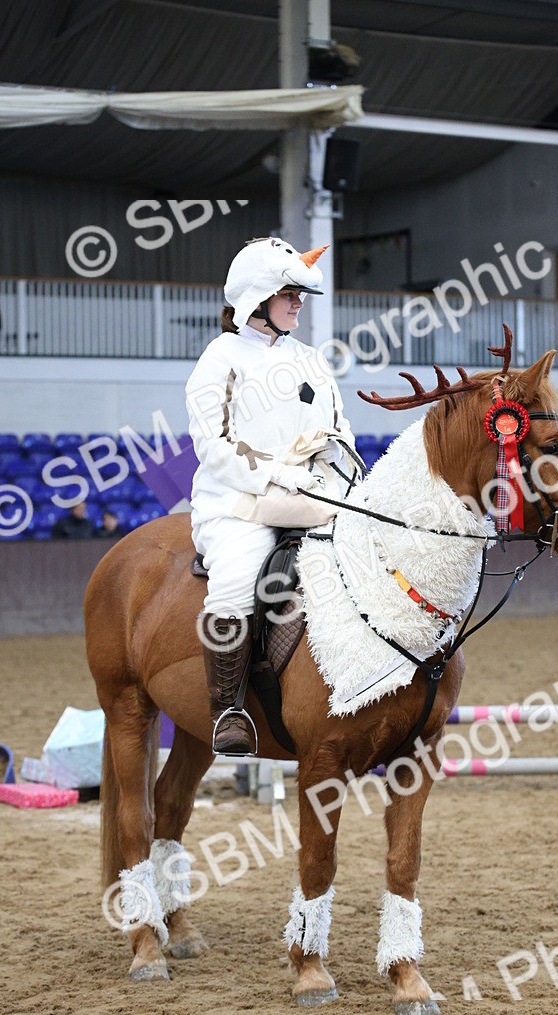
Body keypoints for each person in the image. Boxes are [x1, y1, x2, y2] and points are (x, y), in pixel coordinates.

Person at [186, 236, 360, 757]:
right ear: (256, 298)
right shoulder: (220, 358)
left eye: (299, 295)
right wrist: (280, 474)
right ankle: (228, 709)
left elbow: (339, 427)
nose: (298, 303)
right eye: (289, 293)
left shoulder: (310, 359)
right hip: (238, 503)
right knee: (237, 583)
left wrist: (341, 465)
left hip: (314, 495)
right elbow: (213, 445)